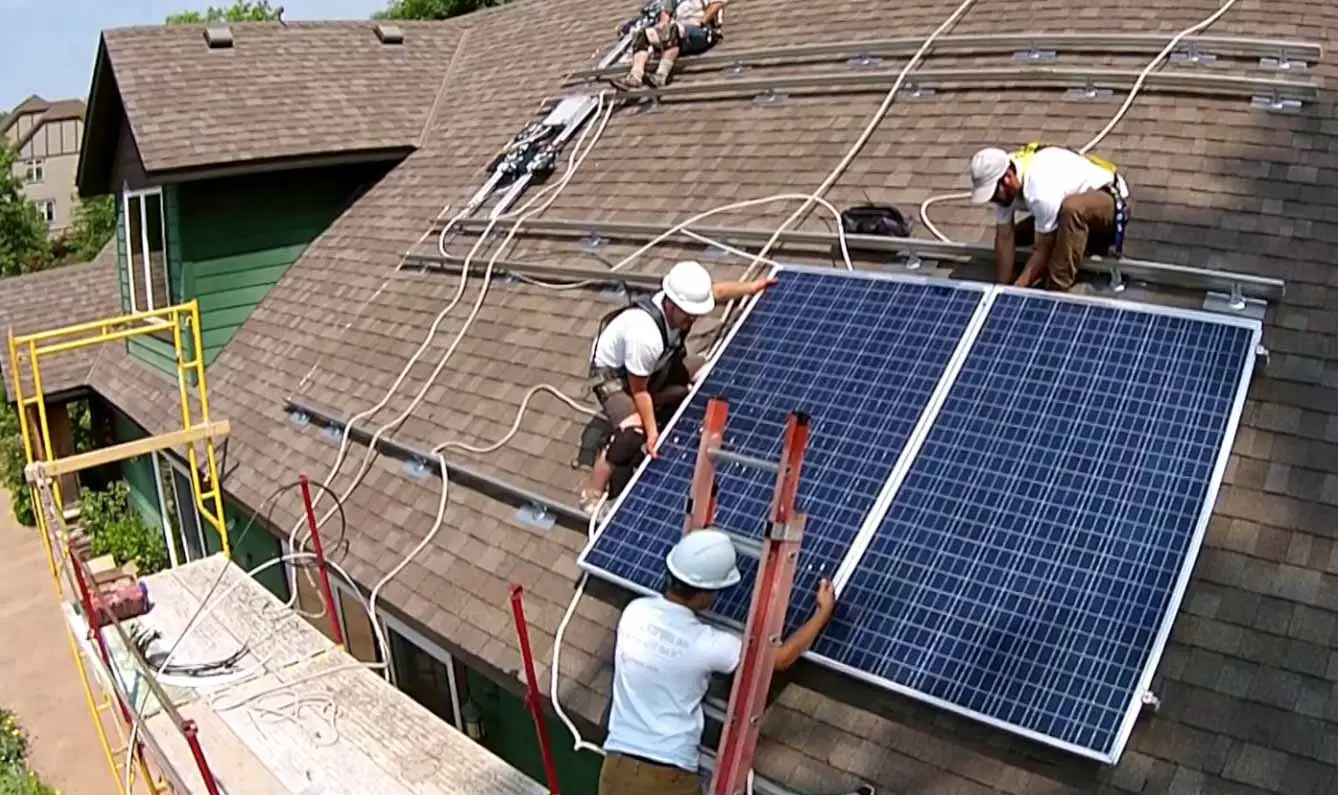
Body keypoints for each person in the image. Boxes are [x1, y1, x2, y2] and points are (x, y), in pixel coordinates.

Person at [598, 529, 837, 795]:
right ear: (703, 593)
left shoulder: (634, 612)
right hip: (665, 776)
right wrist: (822, 614)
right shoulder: (707, 644)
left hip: (615, 768)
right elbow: (779, 659)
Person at [579, 260, 775, 515]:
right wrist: (651, 433)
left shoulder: (685, 304)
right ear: (670, 303)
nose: (692, 320)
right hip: (615, 377)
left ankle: (665, 398)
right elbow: (639, 391)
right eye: (687, 314)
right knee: (632, 434)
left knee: (709, 370)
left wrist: (753, 287)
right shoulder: (645, 335)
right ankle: (592, 491)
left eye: (696, 314)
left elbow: (718, 293)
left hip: (656, 365)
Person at [967, 142, 1131, 291]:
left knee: (1072, 210)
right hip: (1060, 207)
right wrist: (1002, 287)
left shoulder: (1039, 190)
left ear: (1008, 179)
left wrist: (1016, 290)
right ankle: (1079, 242)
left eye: (994, 195)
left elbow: (1043, 249)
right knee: (1019, 236)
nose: (994, 200)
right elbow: (1005, 237)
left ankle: (1058, 287)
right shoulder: (1004, 173)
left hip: (1110, 200)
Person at [611, 0, 728, 90]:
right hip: (678, 31)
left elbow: (716, 4)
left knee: (673, 30)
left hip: (700, 31)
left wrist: (702, 21)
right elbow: (665, 13)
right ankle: (636, 75)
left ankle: (661, 76)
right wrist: (662, 25)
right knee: (642, 34)